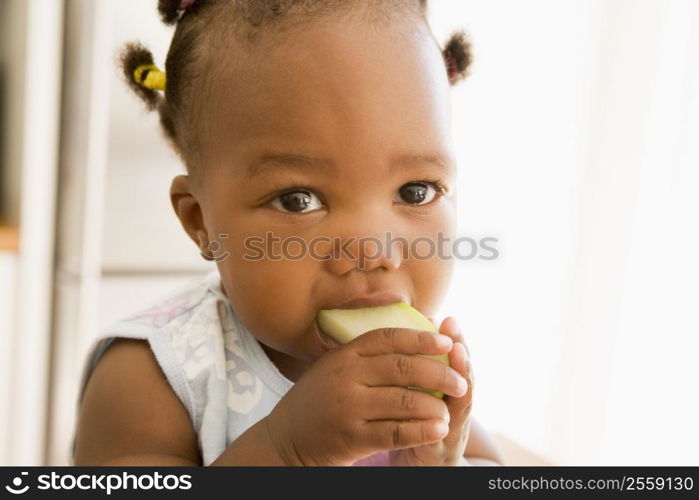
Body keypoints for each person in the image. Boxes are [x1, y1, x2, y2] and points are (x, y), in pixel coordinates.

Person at [72, 0, 503, 466]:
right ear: (201, 222)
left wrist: (441, 466)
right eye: (299, 200)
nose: (373, 251)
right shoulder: (156, 376)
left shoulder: (411, 373)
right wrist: (287, 452)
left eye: (416, 191)